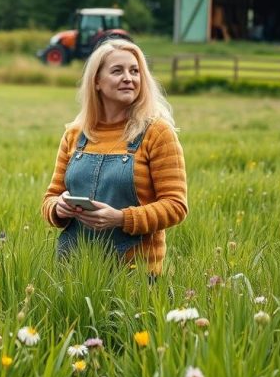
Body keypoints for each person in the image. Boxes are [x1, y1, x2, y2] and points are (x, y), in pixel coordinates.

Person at [41, 39, 187, 276]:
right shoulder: (75, 134)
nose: (128, 78)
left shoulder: (157, 133)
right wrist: (58, 208)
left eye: (135, 71)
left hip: (136, 276)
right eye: (117, 71)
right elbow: (50, 198)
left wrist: (120, 218)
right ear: (96, 81)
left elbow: (176, 206)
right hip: (75, 274)